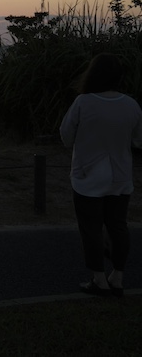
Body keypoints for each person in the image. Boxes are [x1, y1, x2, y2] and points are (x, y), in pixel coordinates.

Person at [59, 53, 142, 297]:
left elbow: (66, 135)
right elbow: (139, 140)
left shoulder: (83, 102)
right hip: (120, 176)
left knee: (91, 228)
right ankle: (117, 276)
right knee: (118, 226)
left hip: (87, 176)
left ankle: (98, 279)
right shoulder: (131, 105)